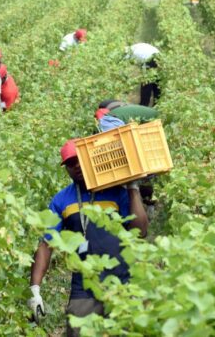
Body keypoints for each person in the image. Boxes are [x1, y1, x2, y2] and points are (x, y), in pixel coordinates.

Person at [28, 139, 149, 337]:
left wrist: (132, 187)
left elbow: (141, 231)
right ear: (65, 168)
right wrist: (35, 288)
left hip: (122, 282)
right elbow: (46, 243)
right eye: (70, 163)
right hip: (83, 286)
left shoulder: (117, 192)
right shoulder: (62, 200)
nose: (75, 166)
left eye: (79, 160)